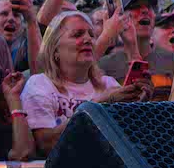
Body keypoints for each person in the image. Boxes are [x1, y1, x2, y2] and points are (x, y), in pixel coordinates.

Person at [23, 11, 141, 155]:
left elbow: (131, 138)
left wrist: (140, 100)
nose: (88, 39)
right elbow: (46, 144)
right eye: (77, 34)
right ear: (55, 50)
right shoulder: (40, 85)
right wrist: (98, 105)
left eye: (91, 35)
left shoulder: (109, 85)